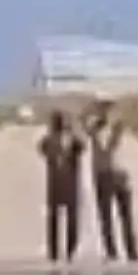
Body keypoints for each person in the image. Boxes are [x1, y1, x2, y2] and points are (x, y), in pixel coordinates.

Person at [84, 100, 138, 262]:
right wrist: (91, 110)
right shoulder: (97, 129)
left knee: (125, 215)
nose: (106, 114)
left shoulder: (117, 128)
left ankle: (131, 251)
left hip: (118, 173)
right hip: (103, 174)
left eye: (109, 110)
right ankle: (112, 252)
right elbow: (82, 122)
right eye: (104, 110)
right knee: (106, 216)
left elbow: (111, 149)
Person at [36, 111, 84, 266]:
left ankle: (70, 250)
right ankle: (55, 253)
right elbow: (42, 149)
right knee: (55, 219)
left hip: (67, 183)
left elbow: (82, 147)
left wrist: (73, 134)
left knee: (70, 219)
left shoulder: (72, 141)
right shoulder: (49, 140)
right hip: (57, 183)